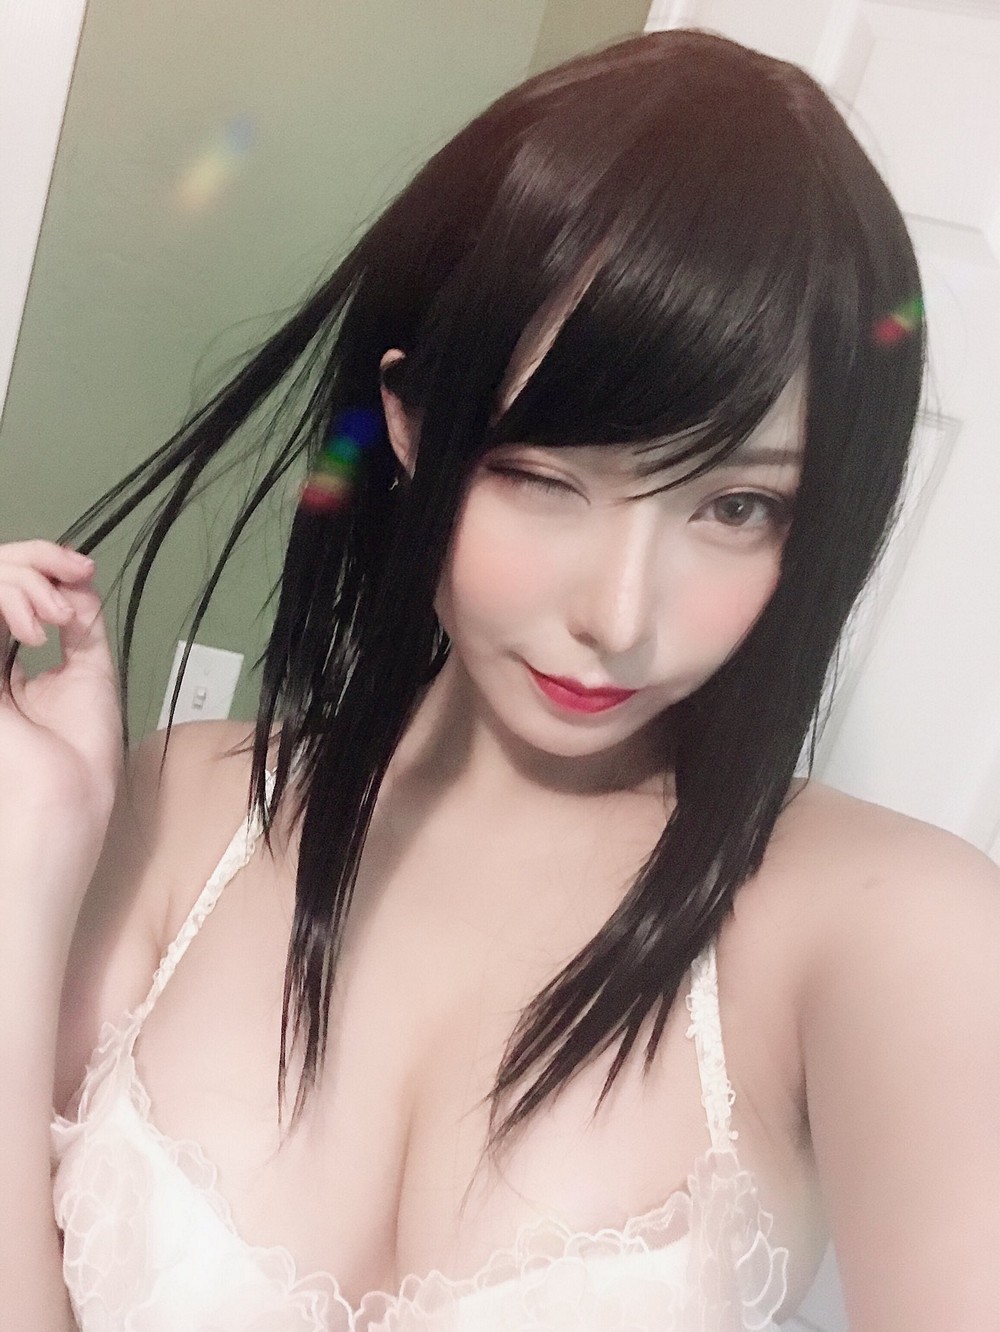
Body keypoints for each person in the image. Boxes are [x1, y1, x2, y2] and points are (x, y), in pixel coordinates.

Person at [0, 26, 997, 1332]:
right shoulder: (179, 811)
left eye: (737, 506)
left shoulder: (893, 929)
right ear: (411, 423)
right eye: (542, 478)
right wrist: (24, 860)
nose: (618, 616)